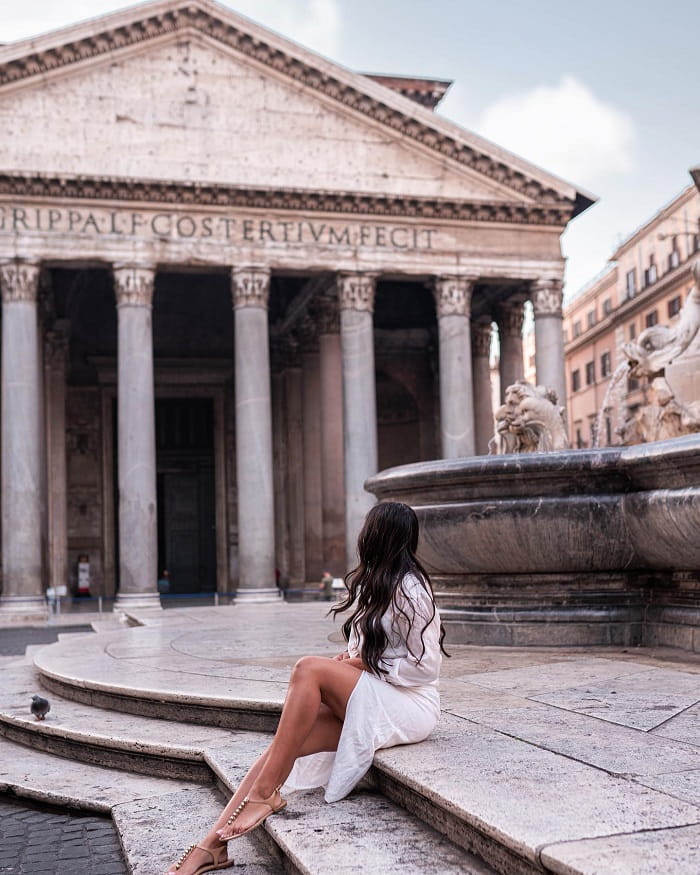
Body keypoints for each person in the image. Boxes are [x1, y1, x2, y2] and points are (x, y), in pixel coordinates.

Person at [165, 501, 447, 875]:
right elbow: (373, 648)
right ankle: (211, 846)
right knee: (281, 747)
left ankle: (265, 795)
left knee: (306, 669)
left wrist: (361, 663)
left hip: (409, 705)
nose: (362, 534)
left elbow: (425, 667)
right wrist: (348, 660)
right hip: (379, 694)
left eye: (368, 527)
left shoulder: (412, 590)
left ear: (381, 535)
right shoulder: (379, 583)